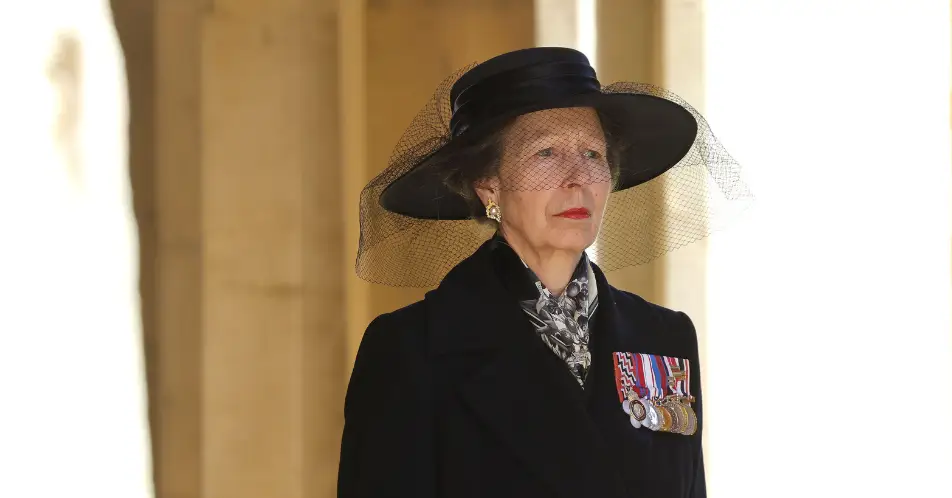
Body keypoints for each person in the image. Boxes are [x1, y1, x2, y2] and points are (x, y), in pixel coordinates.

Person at [338, 47, 750, 498]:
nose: (577, 178)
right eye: (546, 153)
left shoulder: (665, 338)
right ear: (488, 185)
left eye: (592, 153)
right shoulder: (412, 349)